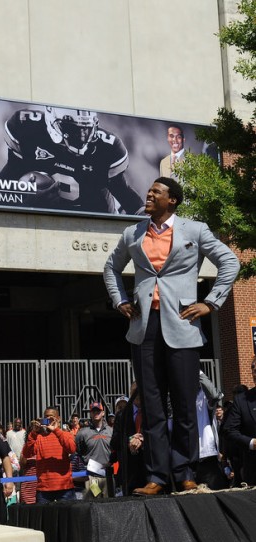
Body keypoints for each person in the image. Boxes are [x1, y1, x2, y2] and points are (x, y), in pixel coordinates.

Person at [103, 176, 240, 495]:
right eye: (149, 191)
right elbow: (111, 268)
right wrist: (120, 300)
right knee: (151, 406)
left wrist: (211, 302)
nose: (149, 195)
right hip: (144, 328)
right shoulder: (133, 232)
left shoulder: (195, 230)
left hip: (182, 324)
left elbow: (230, 262)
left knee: (184, 404)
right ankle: (157, 477)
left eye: (156, 192)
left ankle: (185, 472)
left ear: (172, 200)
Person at [0, 106, 144, 215]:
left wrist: (145, 217)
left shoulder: (106, 148)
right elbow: (4, 185)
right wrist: (25, 203)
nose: (81, 137)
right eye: (73, 130)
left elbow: (123, 192)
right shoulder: (28, 130)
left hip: (97, 219)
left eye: (86, 129)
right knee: (25, 183)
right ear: (52, 120)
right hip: (42, 220)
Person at [22, 407, 77, 503]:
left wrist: (56, 430)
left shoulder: (66, 434)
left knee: (67, 513)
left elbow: (72, 449)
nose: (48, 419)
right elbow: (26, 454)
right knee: (43, 514)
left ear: (58, 419)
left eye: (51, 417)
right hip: (44, 489)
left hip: (65, 488)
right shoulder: (38, 437)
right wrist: (34, 433)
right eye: (46, 417)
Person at [223, 357, 256, 485]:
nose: (255, 373)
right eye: (254, 370)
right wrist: (251, 443)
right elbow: (229, 430)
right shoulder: (241, 400)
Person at [195, 371, 228, 489]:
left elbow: (215, 396)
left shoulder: (203, 396)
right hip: (186, 456)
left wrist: (197, 371)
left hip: (206, 454)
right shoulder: (181, 396)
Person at [75, 402, 113, 498]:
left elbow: (116, 450)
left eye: (98, 411)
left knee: (109, 502)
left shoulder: (111, 431)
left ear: (103, 413)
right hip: (92, 477)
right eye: (93, 411)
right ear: (90, 414)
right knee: (93, 501)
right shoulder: (83, 433)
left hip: (108, 475)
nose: (96, 413)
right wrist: (87, 462)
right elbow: (78, 451)